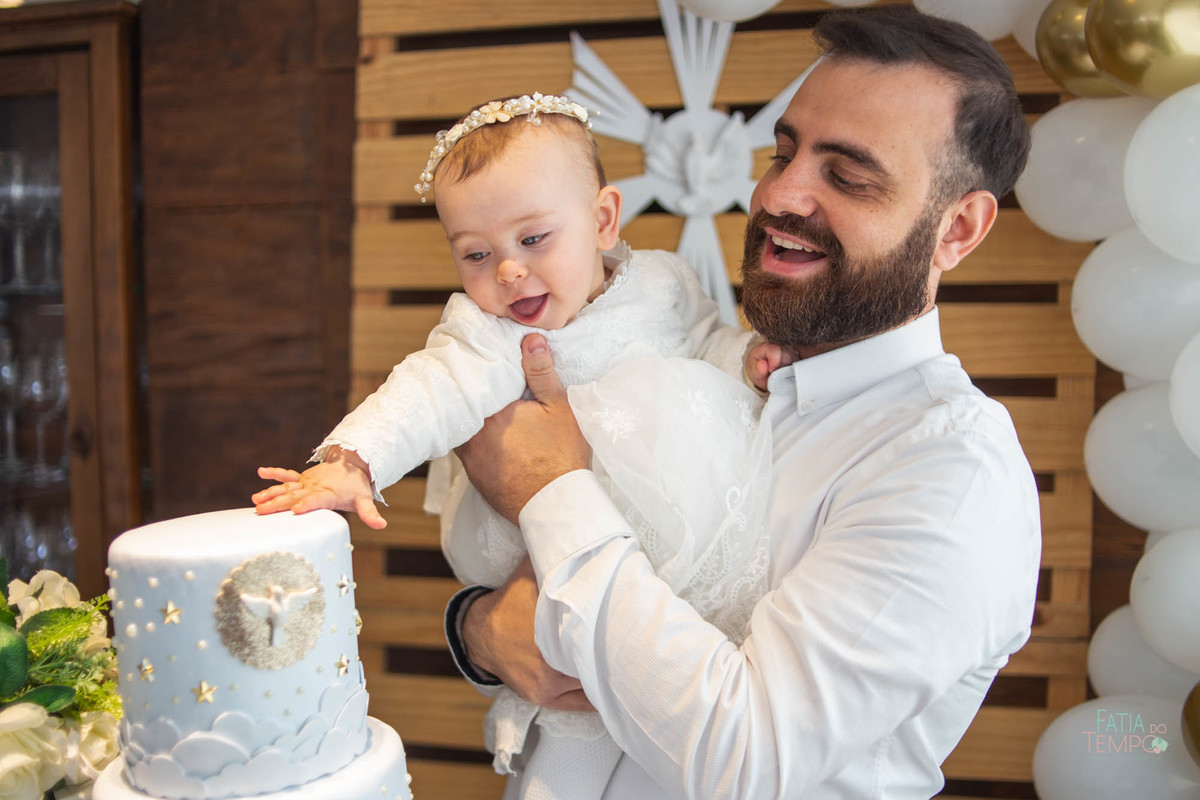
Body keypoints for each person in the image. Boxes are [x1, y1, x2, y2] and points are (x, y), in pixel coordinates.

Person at [448, 6, 1042, 799]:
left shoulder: (949, 468)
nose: (781, 194)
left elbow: (745, 758)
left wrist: (551, 490)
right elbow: (551, 605)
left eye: (848, 175)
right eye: (785, 153)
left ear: (957, 229)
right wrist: (479, 631)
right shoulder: (701, 364)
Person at [252, 92, 791, 800]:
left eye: (533, 240)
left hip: (683, 560)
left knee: (679, 723)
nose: (507, 272)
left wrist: (747, 358)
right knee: (574, 731)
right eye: (476, 254)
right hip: (557, 566)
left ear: (602, 221)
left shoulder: (663, 283)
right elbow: (427, 390)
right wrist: (354, 458)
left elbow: (705, 346)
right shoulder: (489, 334)